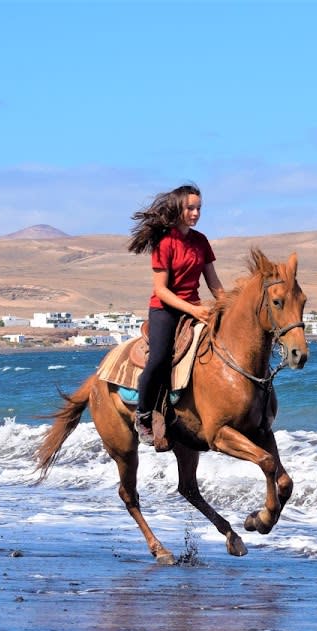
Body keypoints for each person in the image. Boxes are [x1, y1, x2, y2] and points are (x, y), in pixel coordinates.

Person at [126, 184, 224, 445]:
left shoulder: (200, 241)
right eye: (190, 208)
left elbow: (213, 282)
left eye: (199, 208)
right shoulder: (165, 242)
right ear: (178, 209)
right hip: (165, 310)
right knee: (158, 360)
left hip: (195, 307)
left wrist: (227, 306)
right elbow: (161, 289)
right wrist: (193, 309)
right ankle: (144, 415)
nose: (195, 213)